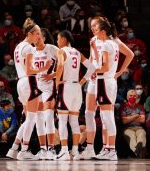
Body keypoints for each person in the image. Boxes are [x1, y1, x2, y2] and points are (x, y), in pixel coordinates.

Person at [78, 17, 134, 161]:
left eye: (94, 26)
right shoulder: (95, 41)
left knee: (105, 115)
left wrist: (119, 73)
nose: (92, 29)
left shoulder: (112, 41)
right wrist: (86, 77)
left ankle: (109, 148)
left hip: (105, 79)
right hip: (95, 80)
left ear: (102, 28)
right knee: (89, 113)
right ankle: (90, 148)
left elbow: (129, 54)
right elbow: (93, 61)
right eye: (91, 27)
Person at [6, 19, 49, 160]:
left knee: (31, 118)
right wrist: (44, 67)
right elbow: (30, 69)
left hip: (21, 82)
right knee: (31, 118)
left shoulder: (18, 47)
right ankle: (24, 150)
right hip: (30, 81)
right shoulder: (29, 48)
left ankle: (14, 149)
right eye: (37, 33)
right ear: (30, 34)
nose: (39, 36)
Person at [54, 30, 95, 160]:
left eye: (58, 39)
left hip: (66, 86)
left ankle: (64, 151)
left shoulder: (62, 51)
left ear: (64, 39)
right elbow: (92, 67)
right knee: (74, 121)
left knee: (62, 120)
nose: (57, 42)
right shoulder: (77, 52)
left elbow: (60, 65)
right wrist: (82, 81)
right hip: (77, 88)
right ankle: (75, 151)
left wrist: (56, 82)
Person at [33, 28, 60, 159]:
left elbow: (65, 64)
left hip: (49, 87)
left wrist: (53, 75)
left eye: (38, 37)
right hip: (36, 86)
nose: (36, 39)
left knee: (48, 117)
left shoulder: (52, 48)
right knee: (38, 119)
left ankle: (52, 149)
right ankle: (43, 149)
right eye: (34, 37)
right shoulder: (31, 51)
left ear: (44, 38)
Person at [121, 89, 147, 158]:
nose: (132, 97)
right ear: (127, 97)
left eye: (134, 96)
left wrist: (129, 118)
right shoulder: (123, 107)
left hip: (139, 127)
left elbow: (142, 120)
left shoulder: (141, 107)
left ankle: (137, 151)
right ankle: (139, 151)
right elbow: (124, 121)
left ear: (137, 97)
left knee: (142, 134)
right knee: (132, 136)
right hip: (128, 128)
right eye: (131, 96)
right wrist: (135, 116)